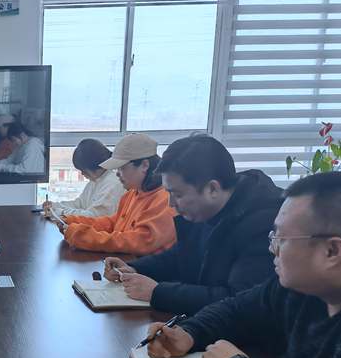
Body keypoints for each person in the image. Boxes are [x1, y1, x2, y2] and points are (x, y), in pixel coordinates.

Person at [145, 172, 341, 358]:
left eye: (281, 238)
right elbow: (236, 310)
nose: (271, 248)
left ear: (332, 251)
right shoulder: (300, 289)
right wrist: (189, 333)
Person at [103, 134, 282, 314]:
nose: (171, 203)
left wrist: (157, 293)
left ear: (212, 188)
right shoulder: (207, 209)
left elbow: (239, 301)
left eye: (178, 194)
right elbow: (181, 255)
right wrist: (135, 268)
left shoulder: (263, 224)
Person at [57, 133, 176, 255]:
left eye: (122, 168)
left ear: (144, 165)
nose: (117, 174)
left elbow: (138, 241)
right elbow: (112, 223)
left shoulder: (165, 200)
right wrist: (72, 221)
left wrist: (84, 237)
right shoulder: (132, 193)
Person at [44, 138, 125, 217]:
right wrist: (55, 206)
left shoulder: (112, 184)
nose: (82, 173)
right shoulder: (96, 180)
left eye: (83, 170)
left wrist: (61, 212)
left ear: (94, 166)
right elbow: (80, 204)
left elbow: (93, 216)